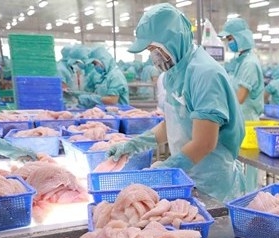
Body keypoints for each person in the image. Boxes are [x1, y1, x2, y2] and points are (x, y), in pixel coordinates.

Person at [107, 3, 246, 202]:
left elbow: (204, 143)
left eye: (153, 48)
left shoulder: (205, 74)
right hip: (188, 174)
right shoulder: (174, 74)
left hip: (213, 184)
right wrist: (134, 145)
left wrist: (165, 169)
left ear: (171, 41)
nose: (152, 56)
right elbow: (172, 123)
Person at [218, 18, 264, 121]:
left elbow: (240, 98)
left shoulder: (250, 63)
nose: (228, 43)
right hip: (239, 119)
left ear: (241, 37)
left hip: (246, 122)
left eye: (230, 39)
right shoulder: (240, 61)